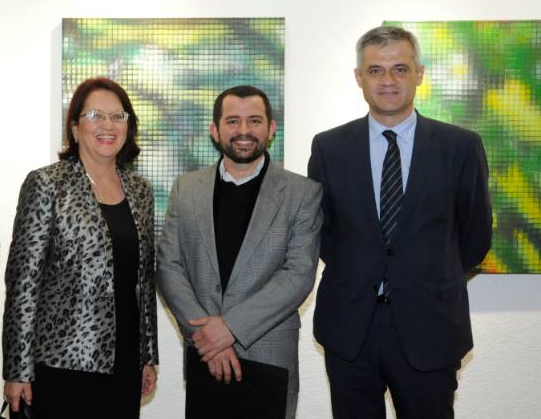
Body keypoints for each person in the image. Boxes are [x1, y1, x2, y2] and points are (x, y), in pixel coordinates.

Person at [308, 26, 493, 418]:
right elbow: (322, 232)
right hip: (350, 328)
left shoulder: (460, 146)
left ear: (419, 74)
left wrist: (425, 274)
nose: (388, 80)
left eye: (400, 69)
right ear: (359, 77)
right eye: (375, 70)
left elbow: (475, 237)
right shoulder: (329, 147)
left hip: (431, 326)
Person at [157, 85, 322, 418]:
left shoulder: (303, 192)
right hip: (205, 354)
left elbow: (299, 274)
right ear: (215, 130)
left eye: (254, 121)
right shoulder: (185, 189)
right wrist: (206, 336)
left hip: (269, 358)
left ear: (271, 129)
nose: (244, 130)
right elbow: (168, 266)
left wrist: (230, 328)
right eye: (232, 121)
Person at [2, 77, 159, 418]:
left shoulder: (141, 191)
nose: (108, 125)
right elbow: (23, 284)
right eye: (95, 116)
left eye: (117, 116)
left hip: (125, 363)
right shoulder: (47, 184)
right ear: (75, 128)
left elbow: (144, 281)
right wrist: (17, 369)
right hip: (60, 363)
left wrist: (148, 355)